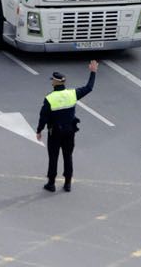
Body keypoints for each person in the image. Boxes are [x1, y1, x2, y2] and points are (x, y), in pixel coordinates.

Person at [37, 61, 98, 192]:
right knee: (67, 156)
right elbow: (89, 87)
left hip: (55, 133)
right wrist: (93, 72)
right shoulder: (72, 94)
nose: (51, 82)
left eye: (52, 80)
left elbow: (43, 117)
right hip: (69, 131)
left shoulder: (50, 98)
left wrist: (39, 130)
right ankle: (67, 183)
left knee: (53, 157)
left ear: (56, 82)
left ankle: (51, 183)